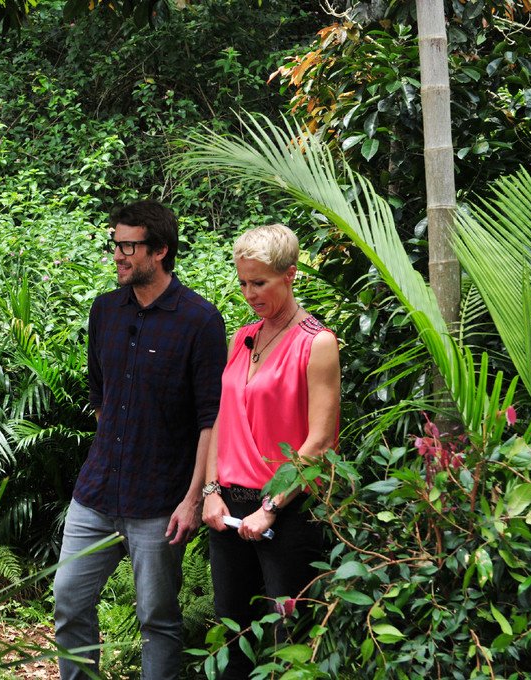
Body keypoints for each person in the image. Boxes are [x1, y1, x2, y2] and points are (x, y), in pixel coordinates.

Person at [53, 200, 227, 679]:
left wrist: (193, 499)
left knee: (157, 619)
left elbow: (211, 420)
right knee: (68, 601)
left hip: (160, 503)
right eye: (115, 244)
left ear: (160, 250)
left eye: (129, 247)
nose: (118, 255)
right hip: (96, 493)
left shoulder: (200, 320)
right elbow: (100, 395)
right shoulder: (105, 310)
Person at [201, 224, 340, 679]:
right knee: (232, 637)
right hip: (229, 508)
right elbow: (221, 419)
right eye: (243, 282)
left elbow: (319, 442)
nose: (249, 294)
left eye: (259, 283)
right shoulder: (242, 337)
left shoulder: (317, 342)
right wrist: (210, 492)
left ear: (290, 275)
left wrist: (271, 508)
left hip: (287, 511)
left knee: (289, 641)